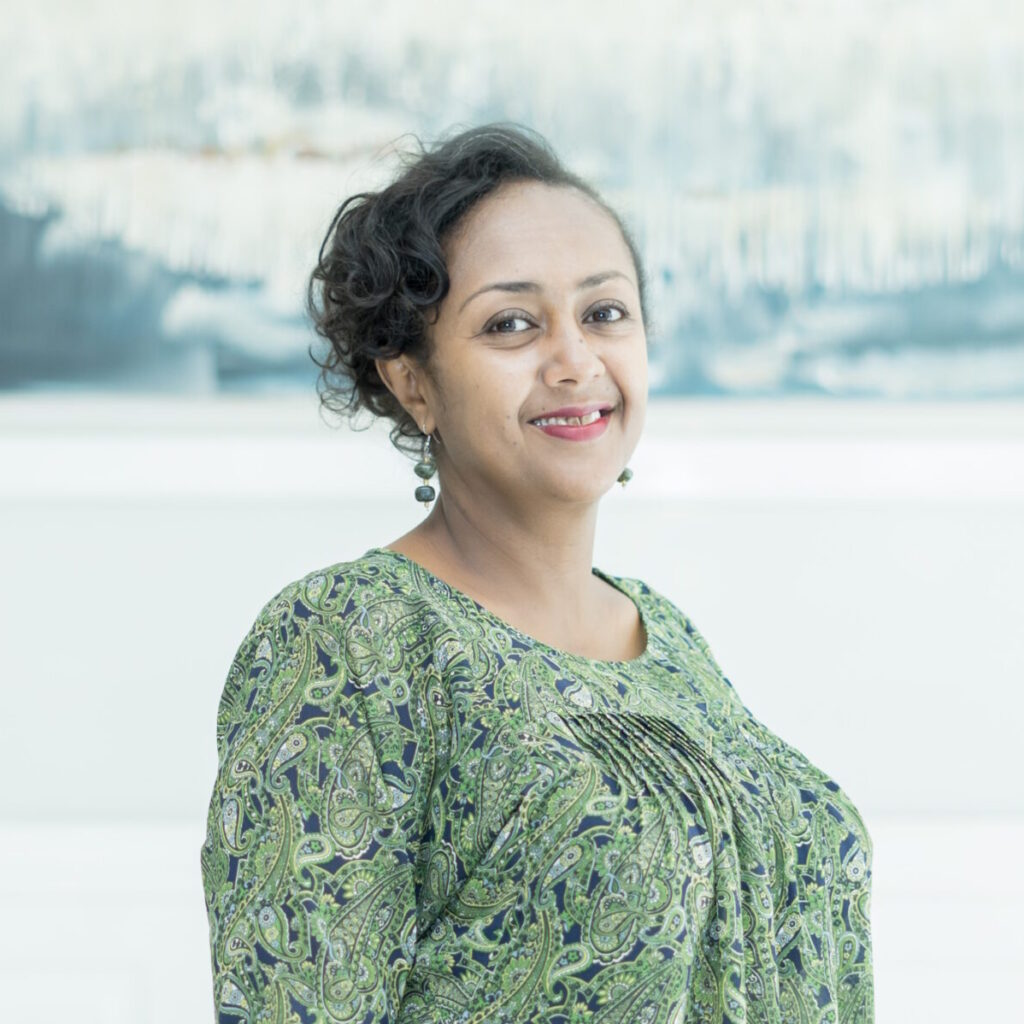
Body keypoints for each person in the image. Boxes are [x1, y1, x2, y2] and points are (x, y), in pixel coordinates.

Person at [200, 123, 874, 1023]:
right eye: (511, 324)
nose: (576, 362)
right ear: (413, 383)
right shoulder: (349, 640)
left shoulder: (669, 639)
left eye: (605, 313)